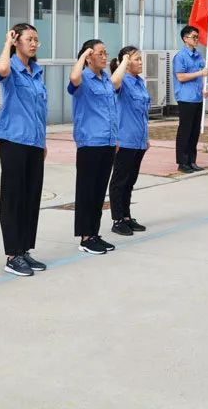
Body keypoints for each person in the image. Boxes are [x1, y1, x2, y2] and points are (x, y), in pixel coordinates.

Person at [0, 23, 48, 277]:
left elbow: (39, 111)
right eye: (29, 39)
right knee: (13, 198)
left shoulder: (36, 72)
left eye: (36, 39)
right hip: (14, 140)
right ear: (16, 41)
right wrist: (7, 43)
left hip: (34, 142)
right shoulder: (11, 67)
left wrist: (43, 142)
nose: (34, 44)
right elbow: (1, 70)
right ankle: (12, 255)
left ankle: (24, 249)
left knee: (31, 197)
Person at [68, 39, 126, 254]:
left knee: (99, 192)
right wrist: (84, 55)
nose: (104, 57)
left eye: (105, 53)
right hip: (90, 142)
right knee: (87, 191)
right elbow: (73, 78)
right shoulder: (82, 78)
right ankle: (85, 237)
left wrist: (115, 138)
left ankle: (94, 233)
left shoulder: (105, 80)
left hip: (107, 142)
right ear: (89, 56)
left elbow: (111, 111)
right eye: (99, 53)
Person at [109, 46, 150, 236]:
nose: (140, 62)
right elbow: (113, 83)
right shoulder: (122, 81)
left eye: (141, 59)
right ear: (126, 62)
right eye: (136, 59)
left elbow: (143, 114)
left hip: (138, 140)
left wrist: (146, 138)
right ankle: (117, 220)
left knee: (130, 181)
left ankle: (126, 216)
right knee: (120, 181)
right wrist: (123, 62)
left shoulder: (139, 82)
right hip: (124, 140)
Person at [172, 25, 208, 173]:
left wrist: (203, 90)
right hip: (185, 98)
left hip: (197, 98)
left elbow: (200, 78)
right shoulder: (180, 57)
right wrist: (200, 73)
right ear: (185, 39)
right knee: (185, 130)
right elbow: (181, 77)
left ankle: (191, 161)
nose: (196, 40)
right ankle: (182, 162)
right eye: (194, 37)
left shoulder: (198, 56)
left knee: (195, 131)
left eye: (197, 37)